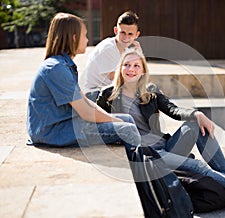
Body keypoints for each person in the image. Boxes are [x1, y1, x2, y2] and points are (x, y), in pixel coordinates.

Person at [96, 48, 225, 210]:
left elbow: (174, 110)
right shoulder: (108, 95)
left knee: (196, 125)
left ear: (143, 71)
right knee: (197, 166)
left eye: (136, 65)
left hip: (165, 146)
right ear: (120, 68)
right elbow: (96, 122)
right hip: (148, 155)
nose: (131, 69)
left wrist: (196, 114)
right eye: (127, 65)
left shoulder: (151, 92)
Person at [26, 13, 141, 157]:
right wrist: (116, 122)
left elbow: (85, 102)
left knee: (127, 120)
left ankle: (142, 153)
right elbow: (86, 113)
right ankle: (149, 169)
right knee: (127, 130)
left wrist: (116, 120)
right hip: (53, 131)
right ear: (74, 38)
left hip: (65, 123)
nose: (87, 40)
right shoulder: (56, 68)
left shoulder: (64, 64)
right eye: (85, 35)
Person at [81, 10, 141, 102]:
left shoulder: (131, 48)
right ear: (116, 31)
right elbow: (120, 80)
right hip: (93, 95)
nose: (126, 38)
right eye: (123, 33)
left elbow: (139, 73)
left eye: (130, 34)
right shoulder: (108, 48)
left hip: (109, 92)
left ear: (137, 35)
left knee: (152, 97)